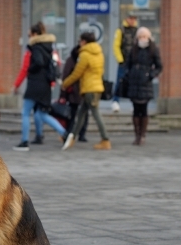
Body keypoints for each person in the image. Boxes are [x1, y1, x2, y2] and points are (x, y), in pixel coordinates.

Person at [11, 22, 67, 151]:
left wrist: (16, 85)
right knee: (41, 114)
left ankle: (24, 142)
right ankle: (63, 133)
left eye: (29, 35)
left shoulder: (33, 49)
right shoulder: (51, 48)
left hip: (35, 85)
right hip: (46, 85)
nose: (29, 37)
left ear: (35, 34)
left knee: (26, 112)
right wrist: (52, 83)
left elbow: (25, 69)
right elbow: (55, 65)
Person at [61, 31, 111, 151]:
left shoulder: (85, 55)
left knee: (96, 114)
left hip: (89, 89)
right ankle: (72, 137)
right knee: (81, 114)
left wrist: (65, 83)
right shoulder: (99, 53)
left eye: (80, 41)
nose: (79, 43)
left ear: (84, 42)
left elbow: (77, 73)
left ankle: (105, 139)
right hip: (97, 87)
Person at [125, 27, 162, 146]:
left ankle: (143, 134)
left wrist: (150, 75)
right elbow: (127, 64)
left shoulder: (153, 49)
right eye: (140, 36)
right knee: (136, 110)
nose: (142, 39)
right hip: (134, 83)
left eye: (144, 36)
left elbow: (159, 66)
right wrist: (130, 74)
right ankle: (137, 135)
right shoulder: (133, 49)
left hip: (145, 83)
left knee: (143, 109)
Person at [111, 14, 138, 113]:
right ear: (126, 19)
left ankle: (134, 103)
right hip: (124, 61)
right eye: (130, 18)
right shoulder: (121, 30)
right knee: (120, 81)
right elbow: (116, 46)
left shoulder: (137, 31)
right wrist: (120, 60)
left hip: (134, 62)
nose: (132, 20)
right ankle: (115, 101)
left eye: (134, 18)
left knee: (134, 83)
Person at [61, 45, 88, 143]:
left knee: (83, 114)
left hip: (82, 91)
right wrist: (63, 94)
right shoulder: (71, 61)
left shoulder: (84, 60)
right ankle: (70, 133)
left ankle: (80, 134)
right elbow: (66, 76)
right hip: (74, 92)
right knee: (73, 114)